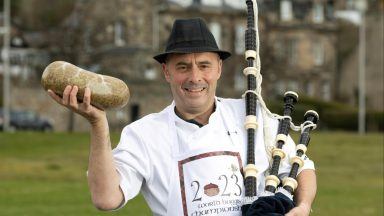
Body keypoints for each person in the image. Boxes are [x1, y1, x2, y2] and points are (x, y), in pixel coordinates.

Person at [47, 18, 316, 216]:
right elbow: (106, 198)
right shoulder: (144, 133)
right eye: (183, 67)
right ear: (166, 72)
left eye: (204, 65)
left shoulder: (249, 114)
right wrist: (98, 124)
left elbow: (301, 166)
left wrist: (303, 207)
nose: (195, 77)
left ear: (219, 68)